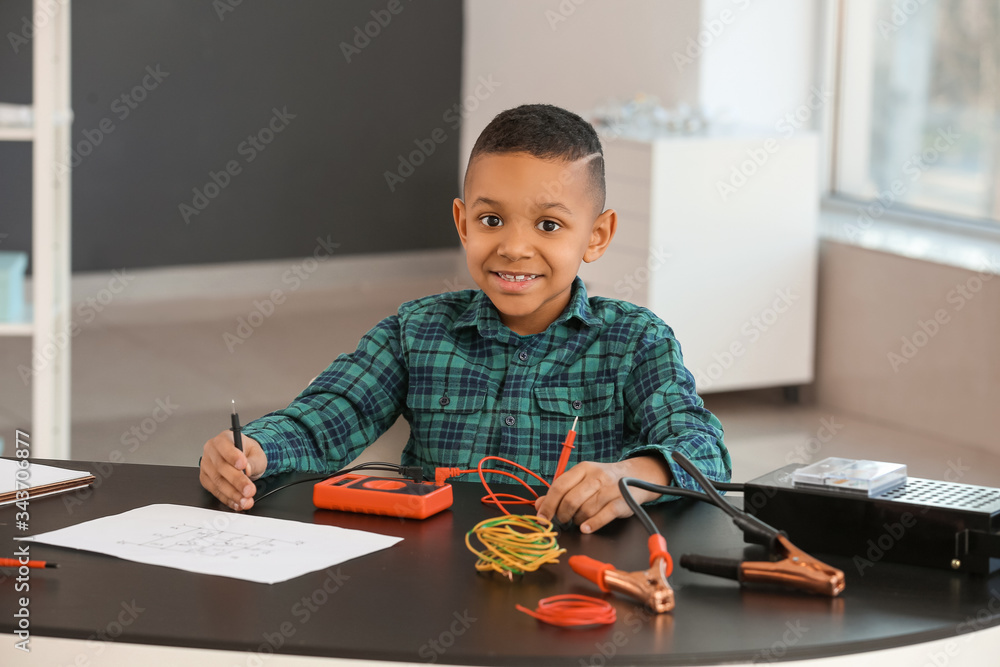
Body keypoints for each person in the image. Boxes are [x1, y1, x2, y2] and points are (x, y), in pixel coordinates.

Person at [199, 103, 730, 533]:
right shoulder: (416, 331)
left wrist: (631, 475)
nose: (515, 247)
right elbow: (328, 415)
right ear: (462, 222)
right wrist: (255, 450)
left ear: (597, 236)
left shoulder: (635, 341)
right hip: (430, 580)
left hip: (567, 580)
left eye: (548, 225)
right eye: (491, 219)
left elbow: (703, 448)